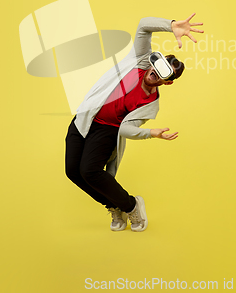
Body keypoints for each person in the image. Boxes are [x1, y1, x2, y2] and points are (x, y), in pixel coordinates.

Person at [65, 14, 204, 232]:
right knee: (73, 171)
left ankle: (131, 206)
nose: (154, 74)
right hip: (85, 118)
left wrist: (150, 133)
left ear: (167, 82)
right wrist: (172, 26)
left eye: (162, 75)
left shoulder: (150, 103)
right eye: (157, 67)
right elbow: (143, 26)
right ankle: (114, 206)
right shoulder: (140, 60)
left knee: (89, 171)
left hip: (107, 130)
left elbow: (125, 129)